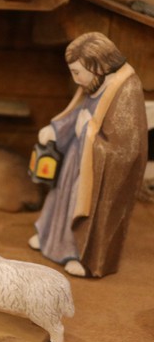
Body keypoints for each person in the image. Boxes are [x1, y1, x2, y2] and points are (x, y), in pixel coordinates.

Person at [29, 32, 147, 278]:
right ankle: (52, 240)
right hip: (78, 155)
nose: (76, 79)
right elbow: (78, 112)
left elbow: (127, 148)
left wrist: (89, 132)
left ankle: (82, 256)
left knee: (79, 203)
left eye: (77, 72)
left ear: (98, 67)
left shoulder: (126, 89)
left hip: (97, 165)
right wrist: (55, 130)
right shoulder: (93, 82)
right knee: (61, 197)